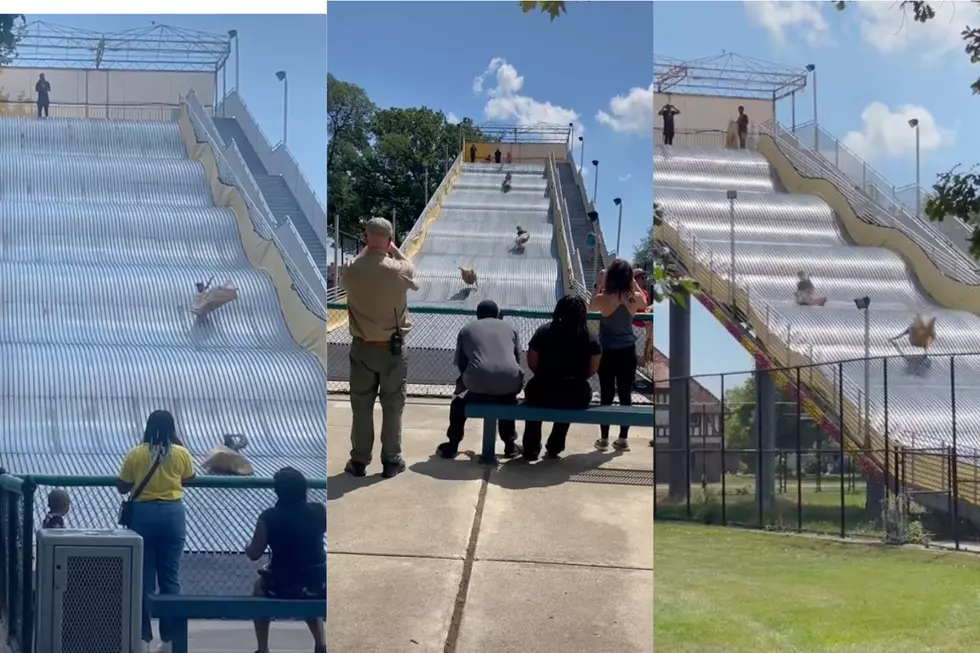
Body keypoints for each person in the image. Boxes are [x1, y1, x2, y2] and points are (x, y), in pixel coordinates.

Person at [339, 217, 419, 479]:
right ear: (389, 239)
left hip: (362, 347)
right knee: (393, 406)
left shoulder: (352, 268)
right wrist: (391, 249)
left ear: (365, 237)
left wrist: (368, 250)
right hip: (392, 349)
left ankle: (359, 461)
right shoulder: (397, 269)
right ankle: (391, 461)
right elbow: (412, 269)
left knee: (361, 406)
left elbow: (351, 271)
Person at [116, 410, 195, 653]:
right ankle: (170, 640)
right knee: (170, 578)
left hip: (143, 515)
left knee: (143, 580)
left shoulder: (136, 453)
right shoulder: (181, 453)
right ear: (172, 428)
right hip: (173, 514)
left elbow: (122, 486)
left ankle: (142, 639)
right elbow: (189, 478)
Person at [245, 467, 326, 653]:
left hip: (281, 583)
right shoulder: (319, 510)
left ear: (278, 491)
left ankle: (263, 648)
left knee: (259, 588)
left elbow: (254, 553)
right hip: (317, 582)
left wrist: (248, 544)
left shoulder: (269, 516)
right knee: (308, 590)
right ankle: (320, 644)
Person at [437, 300, 524, 459]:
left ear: (477, 315)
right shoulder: (511, 328)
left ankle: (453, 444)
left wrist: (469, 381)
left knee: (458, 402)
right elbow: (517, 359)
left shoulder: (467, 329)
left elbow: (462, 363)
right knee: (507, 399)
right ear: (498, 315)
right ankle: (510, 445)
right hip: (510, 382)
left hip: (477, 384)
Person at [522, 296, 602, 460]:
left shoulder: (544, 331)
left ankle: (531, 448)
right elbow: (593, 369)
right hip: (575, 392)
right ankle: (555, 446)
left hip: (542, 389)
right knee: (570, 399)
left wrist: (545, 375)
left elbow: (532, 360)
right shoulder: (590, 336)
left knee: (533, 404)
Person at [589, 261, 647, 452]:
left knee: (606, 394)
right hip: (627, 351)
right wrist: (633, 283)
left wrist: (600, 283)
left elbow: (591, 306)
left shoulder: (605, 298)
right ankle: (623, 439)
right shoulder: (633, 297)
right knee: (625, 395)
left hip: (607, 351)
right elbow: (645, 302)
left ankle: (604, 438)